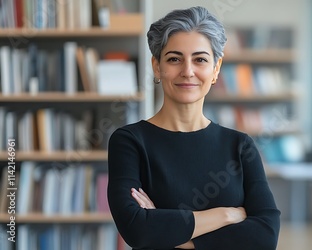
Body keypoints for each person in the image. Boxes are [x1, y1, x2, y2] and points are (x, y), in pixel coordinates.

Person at [107, 6, 281, 250]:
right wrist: (226, 215)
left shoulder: (240, 146)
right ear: (157, 67)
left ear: (215, 69)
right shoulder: (130, 141)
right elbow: (137, 230)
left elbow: (265, 236)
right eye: (174, 59)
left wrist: (169, 234)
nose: (187, 71)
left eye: (200, 59)